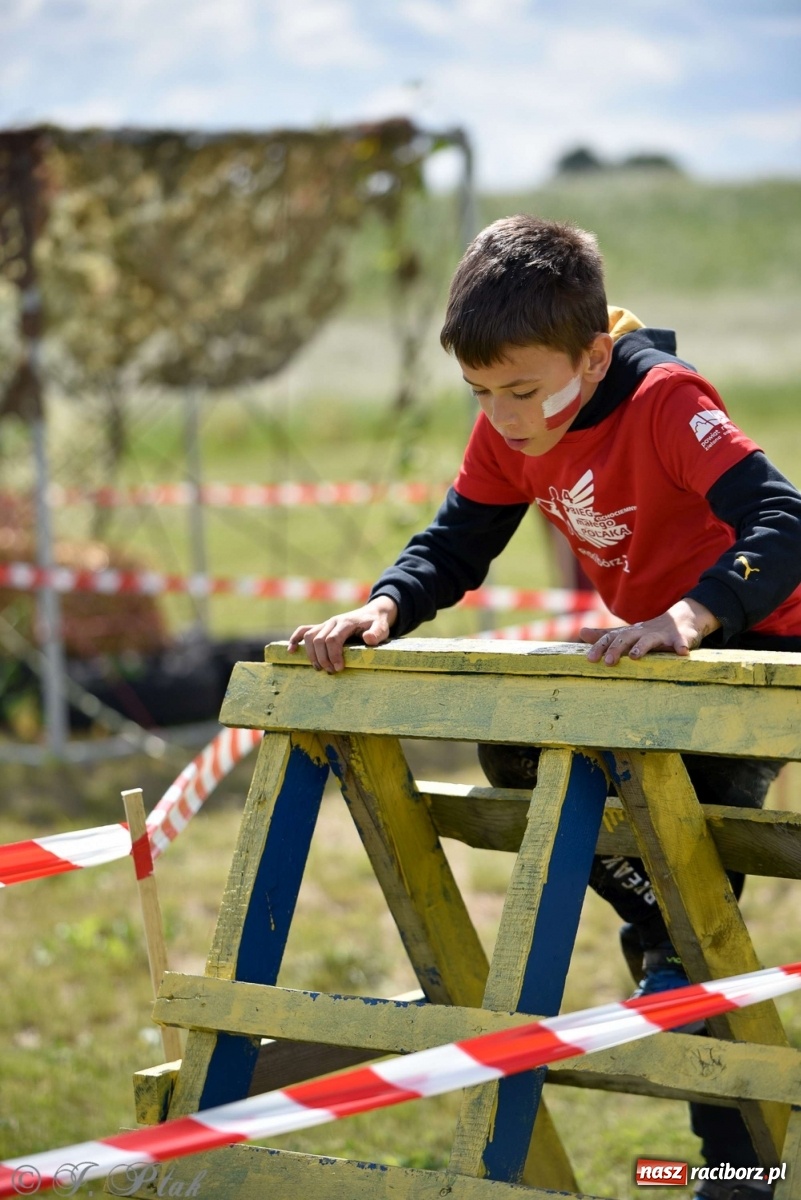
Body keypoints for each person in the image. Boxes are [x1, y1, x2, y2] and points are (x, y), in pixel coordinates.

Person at [289, 214, 801, 1199]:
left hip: (755, 639)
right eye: (482, 394)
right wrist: (383, 606)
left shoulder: (667, 398)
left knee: (694, 907)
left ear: (594, 351)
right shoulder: (510, 426)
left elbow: (784, 517)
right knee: (525, 760)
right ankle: (676, 978)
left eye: (523, 390)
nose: (507, 416)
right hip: (655, 653)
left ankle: (729, 1161)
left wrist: (696, 613)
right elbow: (456, 541)